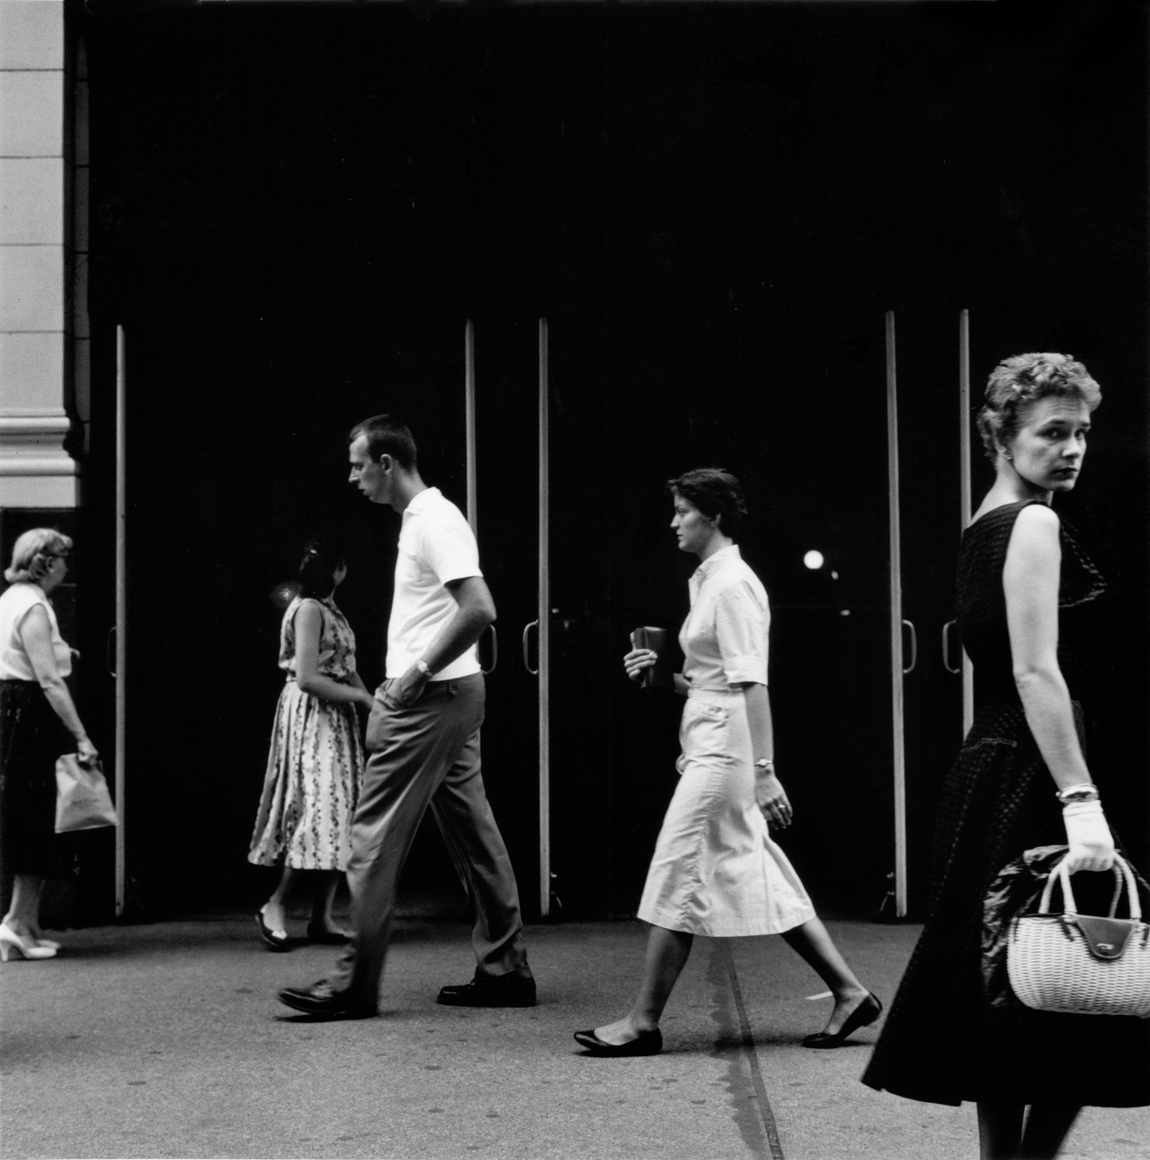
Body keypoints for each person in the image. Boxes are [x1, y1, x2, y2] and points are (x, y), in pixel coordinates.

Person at [861, 353, 1150, 1158]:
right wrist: (1082, 802)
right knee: (1074, 984)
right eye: (1052, 433)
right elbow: (1034, 668)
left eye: (1083, 432)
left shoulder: (987, 519)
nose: (1073, 449)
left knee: (1012, 991)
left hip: (998, 765)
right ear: (1001, 435)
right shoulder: (1033, 523)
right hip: (1039, 770)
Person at [574, 469, 880, 1056]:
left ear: (712, 516)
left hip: (726, 752)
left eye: (682, 511)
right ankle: (849, 993)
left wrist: (765, 771)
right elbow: (713, 684)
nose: (673, 522)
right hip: (714, 739)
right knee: (756, 868)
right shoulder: (710, 580)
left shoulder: (732, 584)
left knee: (675, 868)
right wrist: (664, 678)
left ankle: (642, 1021)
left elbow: (752, 685)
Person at [278, 415, 533, 1018]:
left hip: (427, 699)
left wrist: (412, 676)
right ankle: (504, 969)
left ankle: (352, 985)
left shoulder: (431, 523)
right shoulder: (429, 519)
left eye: (357, 464)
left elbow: (479, 609)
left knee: (369, 839)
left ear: (387, 463)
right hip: (454, 693)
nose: (353, 476)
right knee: (475, 834)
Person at [248, 535, 373, 950]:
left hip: (335, 719)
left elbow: (346, 668)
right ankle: (276, 904)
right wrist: (360, 698)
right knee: (318, 808)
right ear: (340, 569)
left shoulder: (331, 611)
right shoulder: (308, 610)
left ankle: (322, 914)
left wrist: (373, 704)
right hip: (313, 715)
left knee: (340, 810)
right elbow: (307, 677)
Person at [0, 529, 98, 961]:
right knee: (36, 819)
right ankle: (16, 922)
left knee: (31, 817)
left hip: (13, 712)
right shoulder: (35, 606)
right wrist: (81, 735)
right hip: (33, 716)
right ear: (45, 562)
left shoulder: (11, 600)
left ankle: (28, 923)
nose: (65, 567)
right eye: (62, 559)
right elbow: (48, 680)